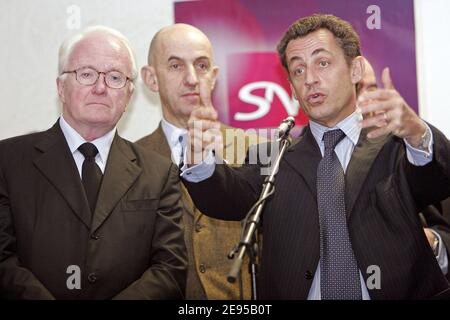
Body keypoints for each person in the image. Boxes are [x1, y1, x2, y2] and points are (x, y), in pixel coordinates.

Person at [182, 14, 450, 299]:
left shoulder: (397, 146)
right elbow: (225, 196)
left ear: (356, 69)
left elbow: (436, 180)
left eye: (322, 63)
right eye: (298, 71)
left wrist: (418, 134)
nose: (310, 79)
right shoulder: (274, 157)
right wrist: (200, 159)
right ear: (292, 89)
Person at [0, 26, 187, 299]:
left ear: (129, 95)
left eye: (114, 77)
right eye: (86, 74)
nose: (100, 88)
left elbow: (170, 270)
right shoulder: (8, 162)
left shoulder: (158, 173)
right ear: (61, 87)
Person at [136, 23, 259, 299]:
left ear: (214, 76)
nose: (192, 78)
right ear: (151, 78)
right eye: (176, 66)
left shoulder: (255, 148)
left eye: (201, 66)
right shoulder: (129, 161)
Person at [359, 57, 450, 277]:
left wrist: (431, 242)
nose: (365, 100)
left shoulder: (411, 152)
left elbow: (443, 230)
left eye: (371, 88)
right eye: (355, 89)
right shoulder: (300, 162)